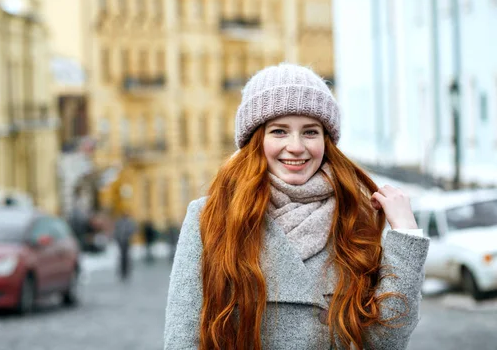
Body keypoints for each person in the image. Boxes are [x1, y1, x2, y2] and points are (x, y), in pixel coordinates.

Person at [164, 64, 429, 350]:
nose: (296, 146)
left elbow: (385, 341)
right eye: (279, 131)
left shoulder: (354, 216)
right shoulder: (211, 217)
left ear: (326, 141)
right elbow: (183, 340)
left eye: (310, 132)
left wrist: (406, 235)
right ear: (256, 140)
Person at [114, 213, 136, 281]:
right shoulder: (121, 222)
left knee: (125, 257)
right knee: (123, 257)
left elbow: (132, 230)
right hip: (122, 241)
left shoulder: (127, 223)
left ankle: (125, 271)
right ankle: (123, 271)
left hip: (126, 241)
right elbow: (116, 232)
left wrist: (127, 235)